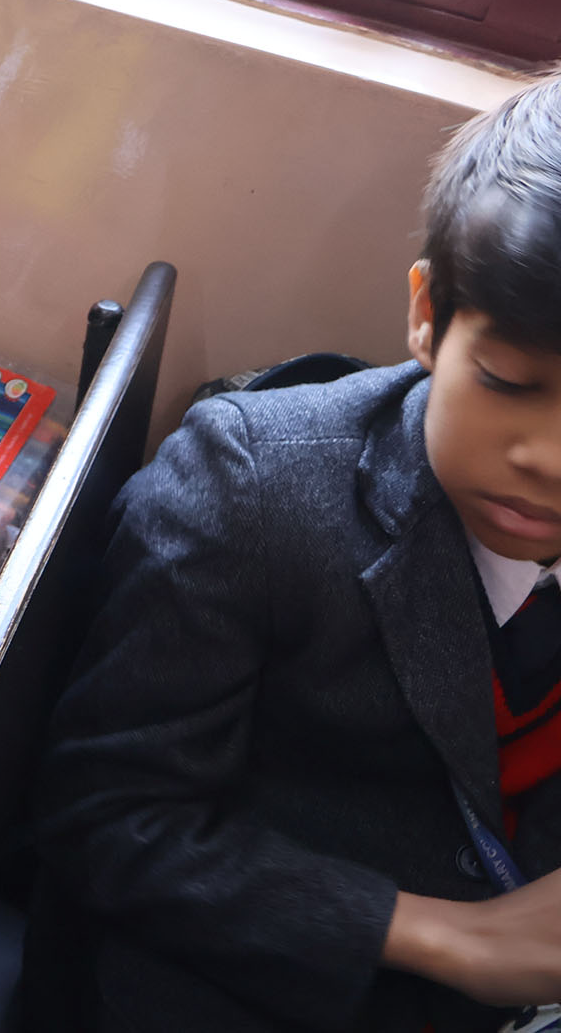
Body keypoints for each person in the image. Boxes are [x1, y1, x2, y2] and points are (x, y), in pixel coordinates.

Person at [36, 75, 561, 1032]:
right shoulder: (249, 490)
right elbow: (104, 820)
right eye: (508, 382)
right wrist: (451, 937)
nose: (550, 459)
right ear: (428, 314)